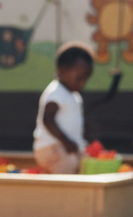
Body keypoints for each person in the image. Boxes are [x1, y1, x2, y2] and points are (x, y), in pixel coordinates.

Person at [33, 41, 94, 174]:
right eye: (79, 78)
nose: (82, 83)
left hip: (68, 147)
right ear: (62, 70)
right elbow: (47, 119)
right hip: (50, 147)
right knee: (69, 164)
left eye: (85, 79)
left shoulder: (74, 95)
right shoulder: (56, 92)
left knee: (87, 162)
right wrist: (66, 141)